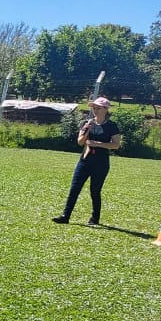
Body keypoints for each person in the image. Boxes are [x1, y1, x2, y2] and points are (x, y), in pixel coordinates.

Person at [52, 96, 122, 225]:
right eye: (94, 108)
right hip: (85, 161)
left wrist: (98, 143)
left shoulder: (112, 126)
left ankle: (95, 218)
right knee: (74, 188)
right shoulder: (86, 122)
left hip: (101, 163)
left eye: (98, 108)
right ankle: (65, 216)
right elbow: (80, 142)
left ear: (106, 109)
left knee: (95, 191)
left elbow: (116, 145)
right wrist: (87, 130)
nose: (95, 110)